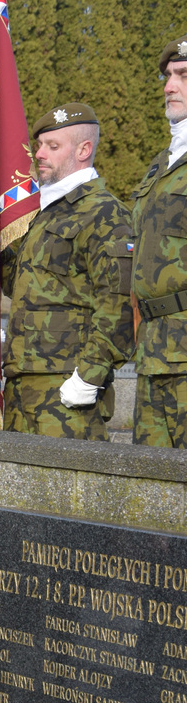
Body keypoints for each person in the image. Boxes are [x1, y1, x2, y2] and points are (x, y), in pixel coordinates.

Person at [1, 103, 134, 438]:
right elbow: (15, 285)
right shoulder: (41, 214)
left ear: (84, 149)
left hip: (66, 385)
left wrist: (90, 374)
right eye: (40, 146)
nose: (40, 154)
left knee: (69, 490)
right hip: (20, 378)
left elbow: (117, 302)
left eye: (53, 146)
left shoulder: (104, 213)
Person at [132, 37, 187, 447]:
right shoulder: (160, 165)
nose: (169, 86)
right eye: (168, 76)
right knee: (149, 490)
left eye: (183, 75)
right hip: (154, 352)